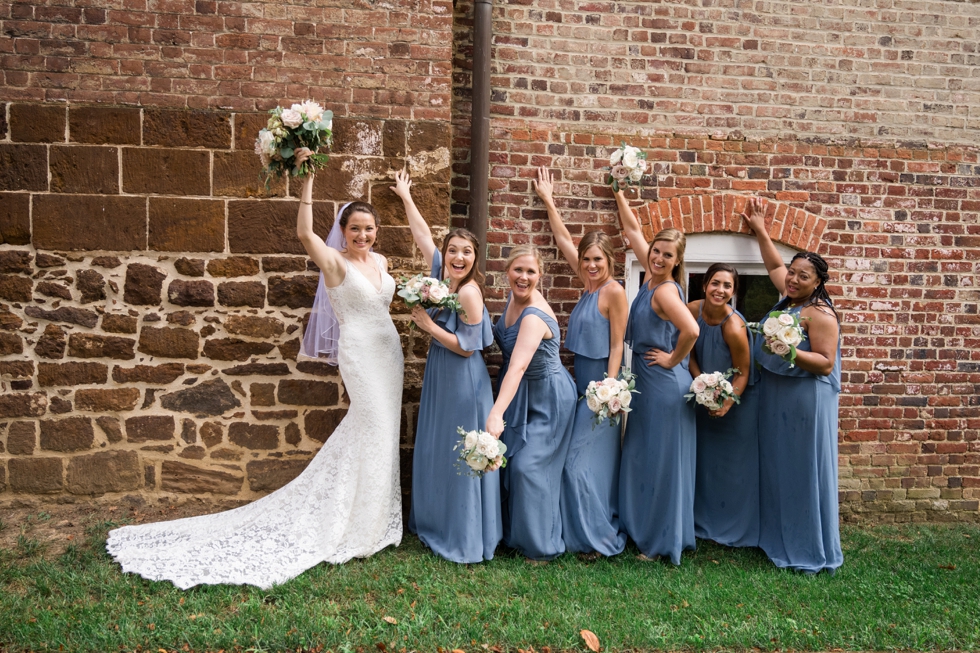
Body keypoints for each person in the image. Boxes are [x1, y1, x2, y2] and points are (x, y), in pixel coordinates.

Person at [106, 149, 404, 589]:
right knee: (372, 424)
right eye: (355, 228)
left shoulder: (379, 263)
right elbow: (304, 233)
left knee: (381, 432)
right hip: (359, 352)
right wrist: (307, 179)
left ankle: (375, 519)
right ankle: (352, 523)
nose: (363, 234)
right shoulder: (334, 261)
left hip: (390, 353)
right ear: (342, 232)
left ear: (377, 232)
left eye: (369, 228)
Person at [390, 170, 501, 564]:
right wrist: (405, 196)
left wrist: (428, 326)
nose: (457, 257)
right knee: (438, 445)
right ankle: (436, 522)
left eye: (466, 253)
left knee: (458, 450)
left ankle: (465, 534)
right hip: (441, 372)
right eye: (452, 250)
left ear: (474, 259)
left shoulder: (469, 292)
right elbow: (422, 236)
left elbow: (468, 349)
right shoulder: (443, 279)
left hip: (462, 379)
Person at [741, 197, 843, 574]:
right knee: (781, 466)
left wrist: (789, 351)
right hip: (778, 395)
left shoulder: (820, 314)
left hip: (805, 399)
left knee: (803, 470)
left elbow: (825, 362)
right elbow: (772, 264)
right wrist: (761, 229)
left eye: (804, 276)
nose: (794, 279)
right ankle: (778, 537)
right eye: (794, 272)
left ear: (818, 283)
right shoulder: (788, 300)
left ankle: (809, 548)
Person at [533, 166, 628, 557]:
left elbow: (619, 344)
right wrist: (548, 200)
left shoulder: (614, 291)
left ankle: (596, 537)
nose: (590, 264)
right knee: (573, 464)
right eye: (586, 258)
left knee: (581, 467)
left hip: (602, 391)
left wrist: (609, 389)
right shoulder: (587, 285)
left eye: (597, 259)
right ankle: (579, 535)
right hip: (580, 384)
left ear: (609, 260)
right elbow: (561, 239)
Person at [614, 190, 699, 564]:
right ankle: (645, 529)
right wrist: (618, 189)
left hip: (663, 385)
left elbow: (691, 331)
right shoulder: (649, 277)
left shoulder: (664, 291)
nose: (659, 256)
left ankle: (661, 542)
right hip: (647, 385)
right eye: (656, 250)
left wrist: (671, 360)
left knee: (661, 463)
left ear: (678, 260)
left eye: (667, 254)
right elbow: (633, 229)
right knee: (643, 457)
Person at [488, 245, 577, 561]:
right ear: (507, 271)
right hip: (520, 393)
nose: (523, 277)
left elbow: (518, 365)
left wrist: (496, 412)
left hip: (548, 396)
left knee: (529, 466)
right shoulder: (513, 298)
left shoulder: (534, 315)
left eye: (531, 272)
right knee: (512, 464)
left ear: (540, 276)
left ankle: (541, 547)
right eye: (518, 270)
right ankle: (515, 537)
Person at [686, 263, 760, 548]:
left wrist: (726, 403)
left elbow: (743, 370)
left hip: (736, 399)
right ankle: (700, 521)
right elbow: (688, 353)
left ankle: (731, 526)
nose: (720, 290)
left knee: (730, 466)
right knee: (703, 461)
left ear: (733, 292)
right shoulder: (692, 310)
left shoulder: (734, 326)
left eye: (727, 286)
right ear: (705, 284)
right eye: (715, 283)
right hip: (703, 394)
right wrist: (701, 385)